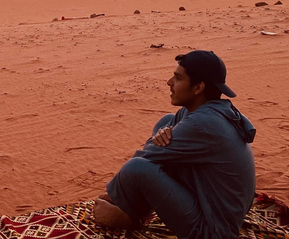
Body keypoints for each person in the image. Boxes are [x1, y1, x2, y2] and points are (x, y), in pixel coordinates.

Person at [93, 50, 256, 239]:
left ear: (198, 87)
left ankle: (130, 217)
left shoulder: (202, 124)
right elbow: (157, 148)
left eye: (178, 78)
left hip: (212, 231)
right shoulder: (208, 110)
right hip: (209, 204)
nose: (169, 83)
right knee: (166, 122)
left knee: (137, 167)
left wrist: (114, 194)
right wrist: (162, 136)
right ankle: (128, 203)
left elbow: (145, 158)